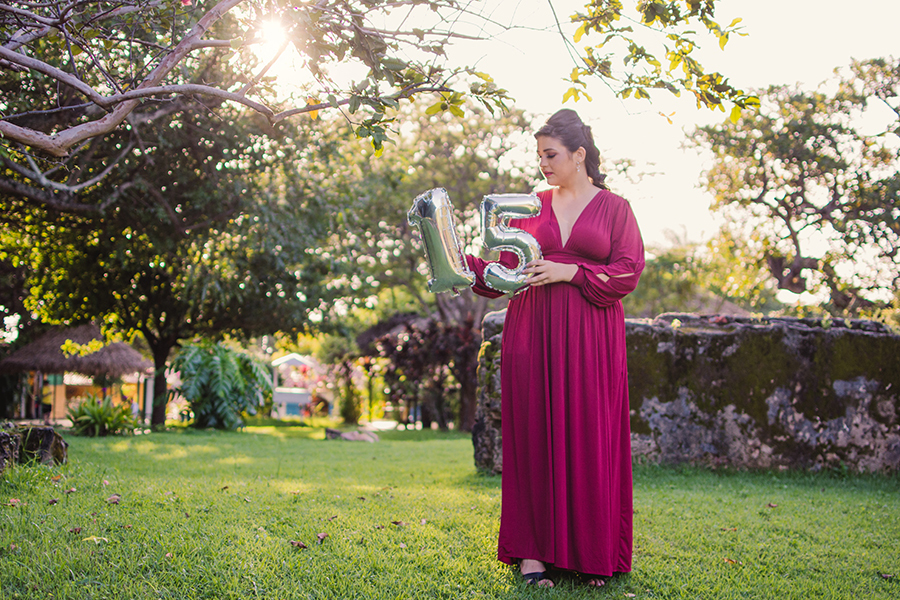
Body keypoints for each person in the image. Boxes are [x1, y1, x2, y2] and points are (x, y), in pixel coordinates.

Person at [465, 109, 644, 587]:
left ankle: (593, 554)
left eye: (551, 154)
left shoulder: (616, 208)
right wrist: (457, 262)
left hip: (592, 336)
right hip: (533, 332)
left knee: (590, 433)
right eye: (539, 155)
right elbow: (503, 271)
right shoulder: (531, 206)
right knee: (534, 433)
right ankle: (531, 555)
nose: (543, 163)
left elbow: (627, 271)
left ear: (579, 154)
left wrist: (573, 272)